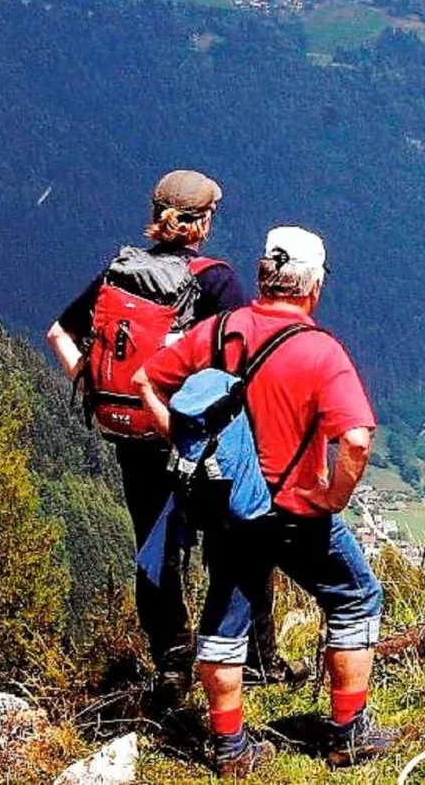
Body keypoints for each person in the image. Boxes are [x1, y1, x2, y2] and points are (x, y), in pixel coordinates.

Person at [134, 226, 397, 776]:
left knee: (222, 625)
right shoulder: (319, 352)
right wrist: (331, 495)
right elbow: (355, 438)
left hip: (230, 509)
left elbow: (145, 380)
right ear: (313, 288)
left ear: (263, 276)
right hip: (298, 512)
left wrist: (183, 446)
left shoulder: (219, 330)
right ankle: (349, 733)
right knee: (355, 599)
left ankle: (230, 748)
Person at [45, 170, 299, 707]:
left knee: (157, 552)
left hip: (135, 441)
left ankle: (172, 665)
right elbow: (242, 364)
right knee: (235, 542)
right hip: (197, 442)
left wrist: (100, 396)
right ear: (203, 221)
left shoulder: (120, 273)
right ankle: (254, 656)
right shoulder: (215, 281)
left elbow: (58, 334)